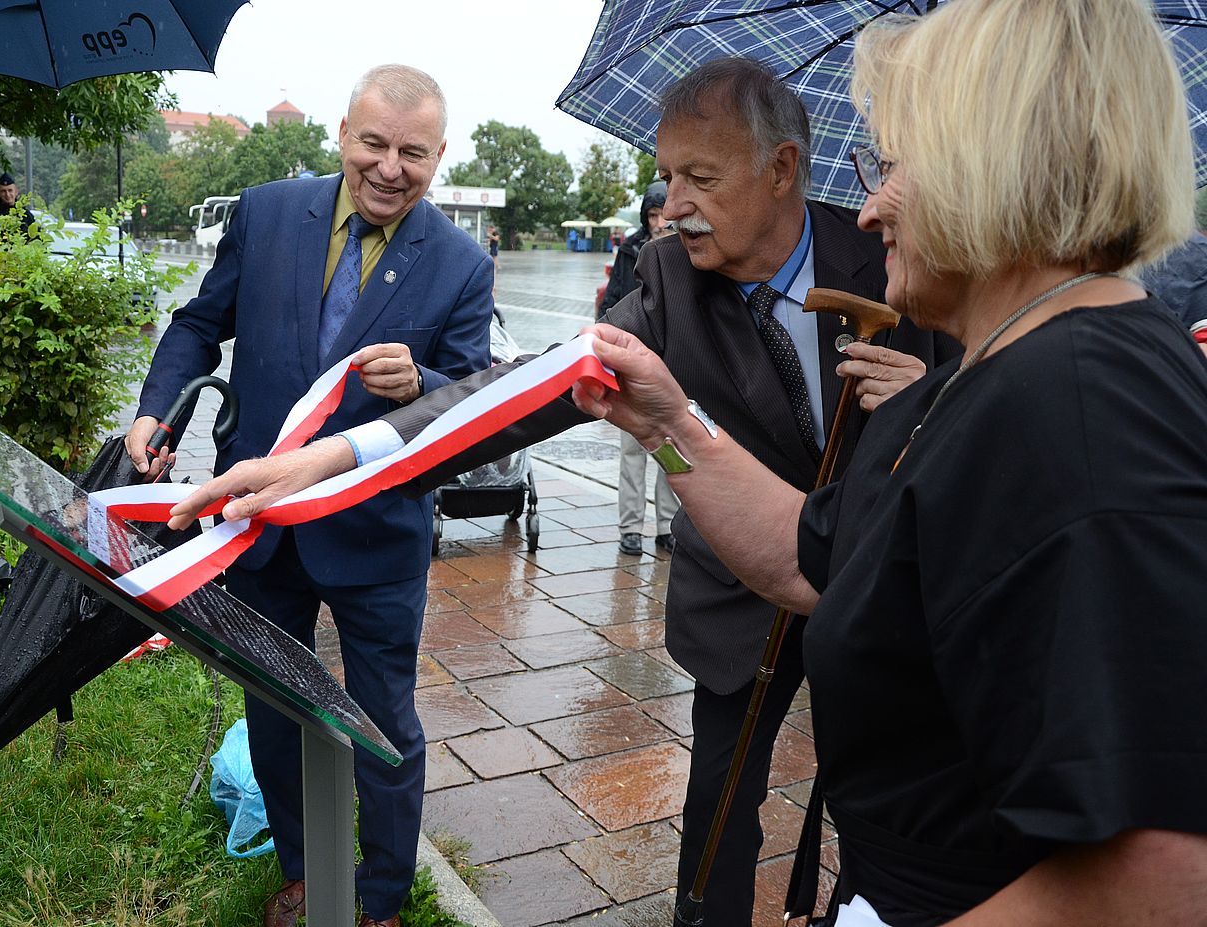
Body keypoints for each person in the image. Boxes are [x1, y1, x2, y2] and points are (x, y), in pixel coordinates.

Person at [167, 57, 955, 924]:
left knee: (887, 806)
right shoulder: (668, 277)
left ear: (781, 169)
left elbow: (1008, 394)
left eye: (700, 178)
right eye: (666, 177)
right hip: (743, 591)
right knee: (719, 807)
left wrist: (934, 402)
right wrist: (332, 459)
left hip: (885, 578)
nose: (674, 205)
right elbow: (523, 388)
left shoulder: (900, 254)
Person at [566, 1, 1207, 922]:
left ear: (995, 164)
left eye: (893, 165)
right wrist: (668, 422)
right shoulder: (1016, 373)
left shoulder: (1078, 401)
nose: (868, 207)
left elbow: (1161, 879)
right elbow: (811, 555)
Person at [124, 64, 492, 927]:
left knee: (385, 720)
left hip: (375, 536)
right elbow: (198, 323)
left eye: (412, 153)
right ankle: (302, 868)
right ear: (342, 134)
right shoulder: (265, 212)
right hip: (261, 525)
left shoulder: (462, 264)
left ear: (439, 156)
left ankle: (382, 897)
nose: (389, 168)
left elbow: (471, 403)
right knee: (274, 707)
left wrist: (423, 382)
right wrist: (156, 409)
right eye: (374, 144)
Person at [600, 179, 680, 555]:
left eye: (663, 215)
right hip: (631, 360)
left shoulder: (685, 249)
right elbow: (612, 299)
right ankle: (630, 527)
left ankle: (668, 525)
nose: (658, 222)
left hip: (672, 363)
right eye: (652, 215)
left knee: (671, 450)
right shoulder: (630, 249)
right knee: (632, 452)